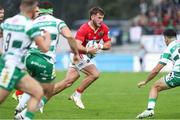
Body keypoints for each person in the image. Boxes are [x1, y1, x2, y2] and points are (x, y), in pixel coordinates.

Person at [14, 0, 79, 117]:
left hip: (28, 58)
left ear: (39, 10)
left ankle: (19, 107)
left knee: (34, 83)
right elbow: (69, 36)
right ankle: (23, 115)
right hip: (44, 59)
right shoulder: (57, 22)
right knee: (49, 91)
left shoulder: (32, 22)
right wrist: (76, 53)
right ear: (51, 11)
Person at [0, 0, 52, 119]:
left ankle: (24, 118)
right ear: (33, 9)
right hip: (11, 68)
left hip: (10, 65)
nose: (37, 12)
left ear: (21, 6)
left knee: (38, 91)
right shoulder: (30, 26)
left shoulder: (8, 21)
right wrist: (47, 37)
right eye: (37, 10)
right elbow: (44, 48)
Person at [53, 7, 111, 109]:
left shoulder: (104, 28)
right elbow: (77, 46)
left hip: (84, 56)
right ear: (92, 17)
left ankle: (41, 98)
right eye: (99, 18)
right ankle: (77, 94)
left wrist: (100, 46)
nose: (101, 20)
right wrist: (88, 50)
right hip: (77, 55)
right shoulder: (84, 28)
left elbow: (108, 44)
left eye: (102, 18)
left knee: (67, 82)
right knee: (95, 74)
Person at [136, 29, 179, 119]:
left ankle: (149, 110)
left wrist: (145, 81)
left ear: (166, 38)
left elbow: (156, 70)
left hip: (178, 74)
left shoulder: (169, 48)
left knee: (155, 86)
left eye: (164, 38)